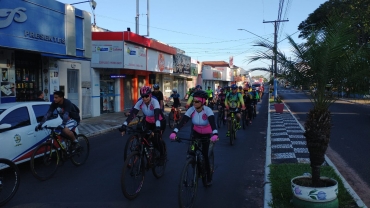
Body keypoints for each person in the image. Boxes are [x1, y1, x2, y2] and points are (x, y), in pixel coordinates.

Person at [169, 90, 218, 186]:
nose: (194, 103)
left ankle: (208, 176)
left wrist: (215, 134)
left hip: (206, 135)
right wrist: (175, 131)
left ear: (203, 102)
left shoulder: (208, 110)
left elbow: (213, 124)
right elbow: (183, 122)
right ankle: (192, 163)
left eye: (197, 101)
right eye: (193, 101)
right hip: (195, 133)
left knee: (205, 155)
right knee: (191, 151)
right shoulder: (191, 110)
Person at [119, 86, 167, 165]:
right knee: (143, 136)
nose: (144, 98)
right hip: (148, 121)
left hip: (159, 122)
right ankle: (148, 151)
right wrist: (124, 125)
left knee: (156, 140)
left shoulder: (154, 101)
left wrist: (157, 127)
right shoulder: (140, 102)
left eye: (146, 96)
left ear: (150, 95)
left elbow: (157, 116)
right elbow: (132, 115)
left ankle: (162, 156)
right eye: (143, 96)